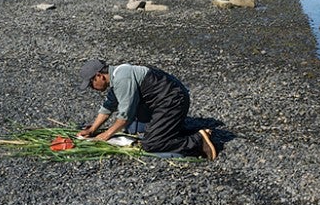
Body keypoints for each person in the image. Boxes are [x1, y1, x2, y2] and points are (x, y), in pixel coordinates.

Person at [77, 59, 217, 160]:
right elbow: (108, 106)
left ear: (99, 76)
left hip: (173, 101)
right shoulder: (116, 77)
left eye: (91, 84)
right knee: (135, 129)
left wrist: (106, 135)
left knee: (151, 144)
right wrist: (92, 130)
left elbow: (125, 116)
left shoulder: (122, 78)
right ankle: (184, 130)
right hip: (165, 101)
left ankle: (198, 141)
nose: (92, 88)